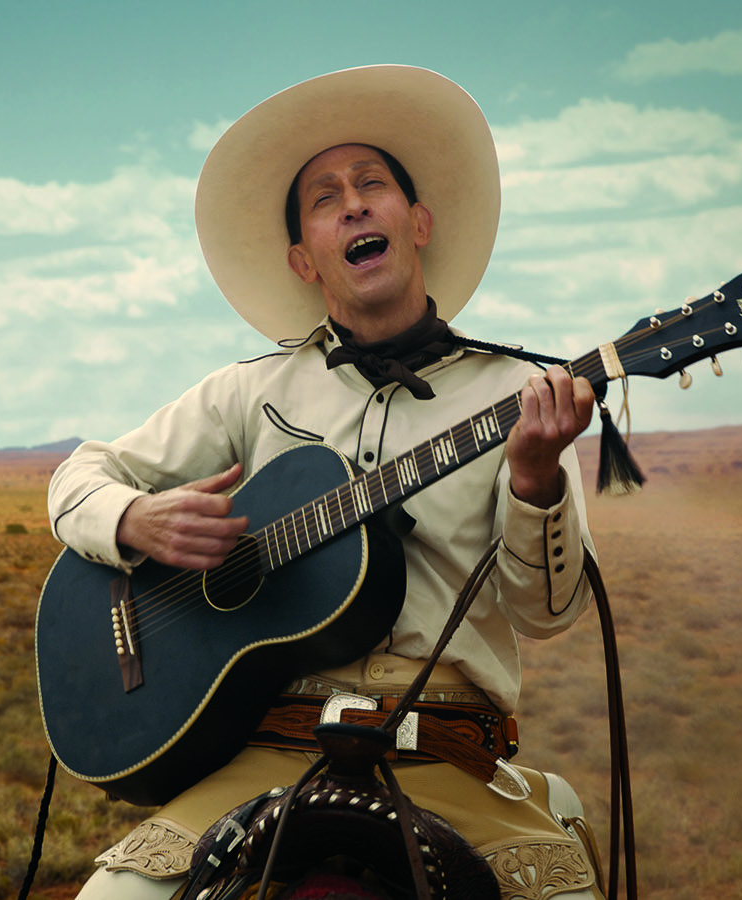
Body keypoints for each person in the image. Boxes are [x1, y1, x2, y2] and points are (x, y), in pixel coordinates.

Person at [48, 65, 604, 899]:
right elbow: (78, 475)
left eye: (371, 184)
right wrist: (136, 521)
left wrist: (535, 481)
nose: (352, 203)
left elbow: (549, 613)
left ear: (416, 223)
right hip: (268, 744)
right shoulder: (251, 390)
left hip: (448, 750)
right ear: (305, 259)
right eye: (324, 197)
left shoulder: (515, 398)